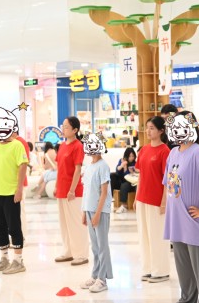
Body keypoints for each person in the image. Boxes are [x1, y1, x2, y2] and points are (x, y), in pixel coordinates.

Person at [164, 111, 199, 303]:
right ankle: (187, 299)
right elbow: (168, 183)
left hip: (193, 219)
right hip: (176, 219)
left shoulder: (198, 152)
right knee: (183, 267)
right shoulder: (173, 153)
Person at [0, 113, 29, 275]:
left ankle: (18, 261)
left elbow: (23, 166)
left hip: (10, 194)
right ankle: (4, 258)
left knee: (14, 227)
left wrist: (19, 189)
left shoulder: (17, 145)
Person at [135, 116, 170, 283]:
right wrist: (136, 197)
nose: (148, 131)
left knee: (157, 236)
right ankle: (148, 268)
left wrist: (164, 202)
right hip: (142, 198)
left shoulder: (165, 151)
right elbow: (141, 175)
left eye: (152, 128)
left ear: (161, 131)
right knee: (144, 236)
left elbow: (167, 180)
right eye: (147, 127)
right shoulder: (143, 150)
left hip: (156, 200)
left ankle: (161, 270)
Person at [79, 133, 113, 293]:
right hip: (89, 209)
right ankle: (95, 275)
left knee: (102, 246)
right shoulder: (88, 166)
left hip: (101, 211)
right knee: (95, 246)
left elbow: (104, 192)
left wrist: (98, 214)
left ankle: (102, 279)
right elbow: (86, 191)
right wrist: (84, 211)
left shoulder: (103, 166)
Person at [54, 116, 89, 266]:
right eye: (63, 126)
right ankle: (68, 251)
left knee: (76, 223)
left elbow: (77, 169)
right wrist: (56, 186)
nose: (63, 129)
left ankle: (81, 254)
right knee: (64, 223)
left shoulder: (78, 146)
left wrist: (72, 190)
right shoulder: (62, 146)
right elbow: (59, 169)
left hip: (73, 191)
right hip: (62, 190)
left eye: (66, 127)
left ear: (75, 130)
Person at [110, 147, 137, 213]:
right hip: (122, 180)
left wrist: (125, 169)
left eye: (133, 156)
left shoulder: (135, 163)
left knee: (124, 184)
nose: (131, 158)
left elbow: (128, 177)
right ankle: (110, 197)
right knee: (112, 176)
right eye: (130, 156)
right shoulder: (122, 160)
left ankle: (124, 205)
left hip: (130, 183)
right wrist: (122, 165)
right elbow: (117, 172)